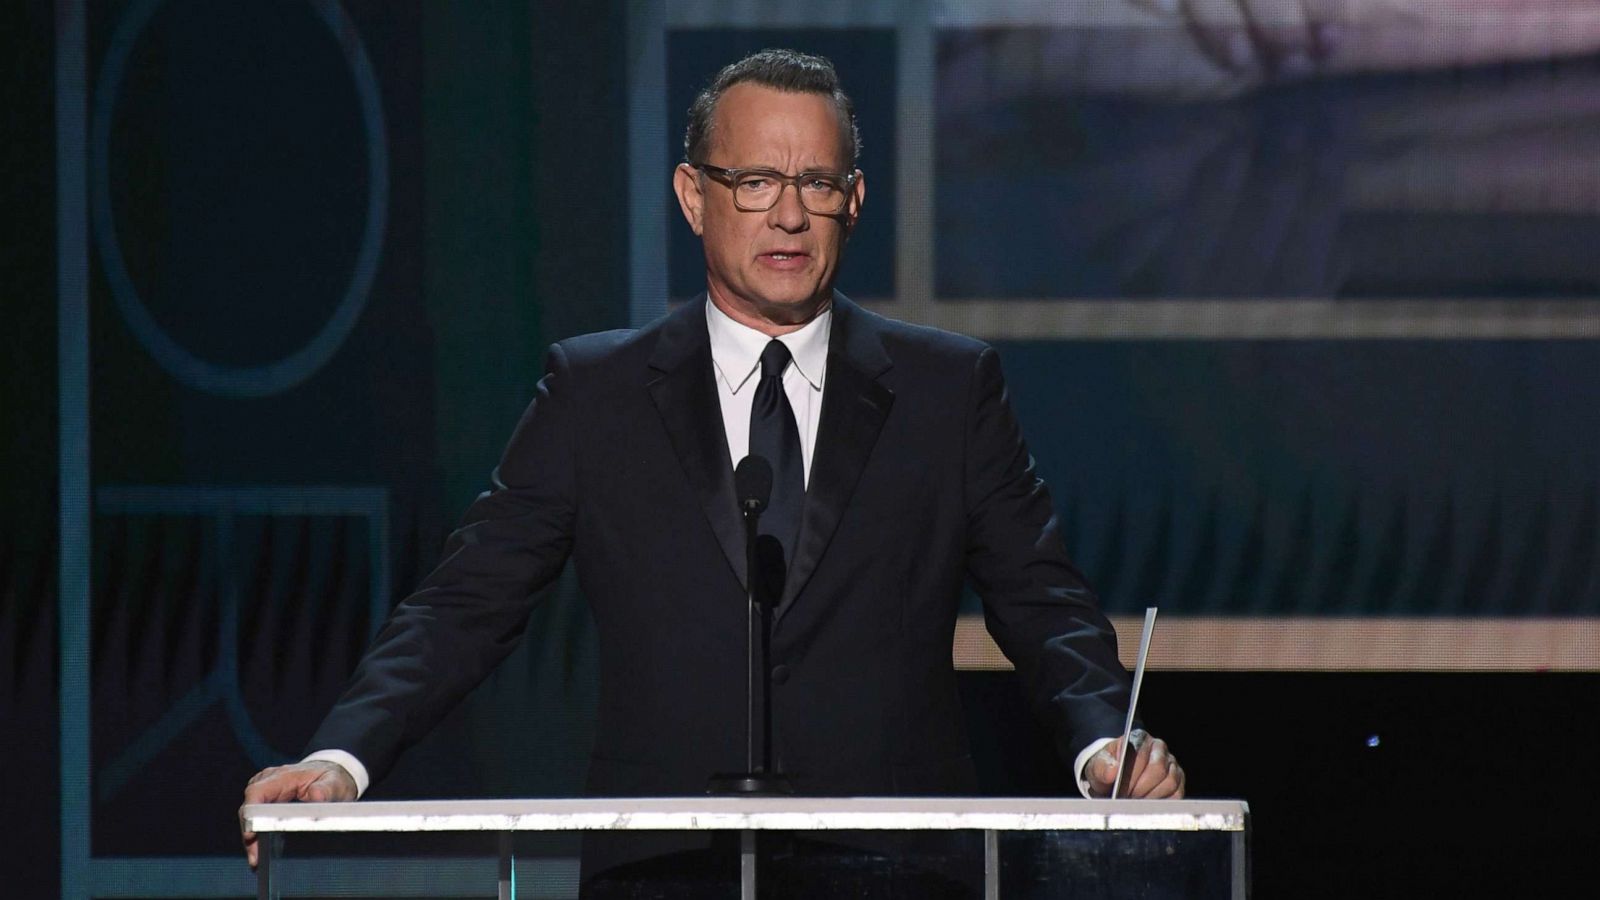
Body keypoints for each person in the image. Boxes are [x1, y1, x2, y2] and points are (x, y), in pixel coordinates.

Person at [240, 48, 1184, 891]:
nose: (787, 213)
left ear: (854, 200)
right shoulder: (594, 392)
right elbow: (465, 603)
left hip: (892, 865)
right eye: (754, 180)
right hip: (663, 867)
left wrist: (1105, 739)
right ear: (694, 195)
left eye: (816, 182)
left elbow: (1041, 599)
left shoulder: (949, 389)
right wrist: (341, 761)